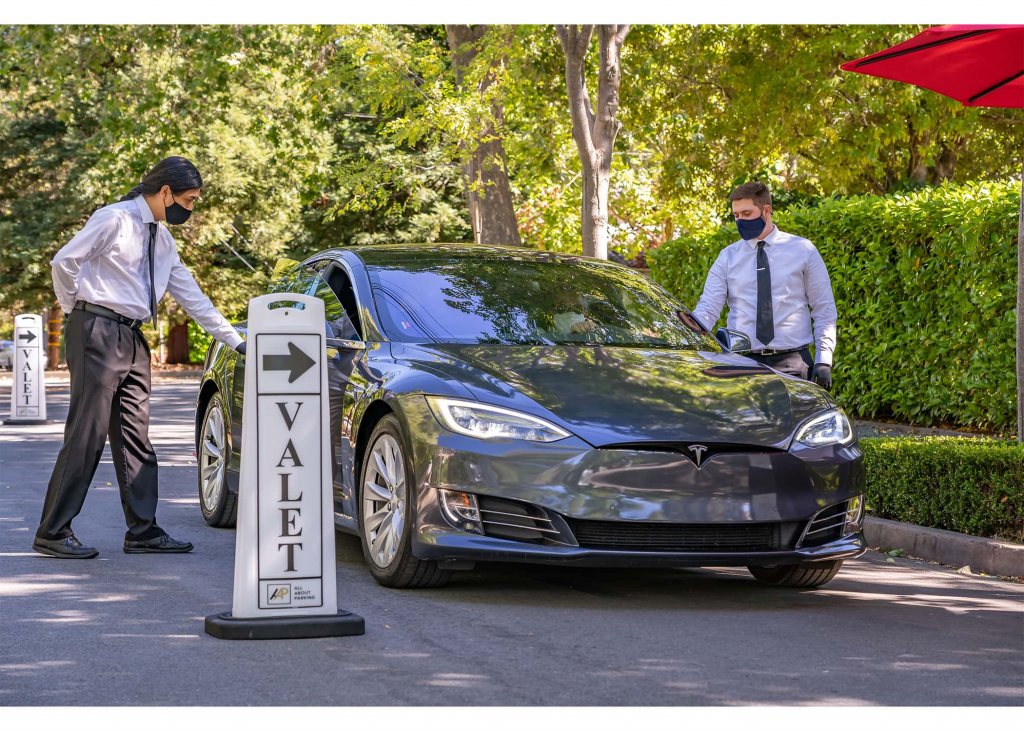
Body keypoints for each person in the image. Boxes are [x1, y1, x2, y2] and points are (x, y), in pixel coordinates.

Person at [33, 156, 246, 559]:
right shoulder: (113, 219)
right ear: (165, 192)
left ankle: (143, 531)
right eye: (189, 198)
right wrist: (75, 307)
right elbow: (64, 262)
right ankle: (53, 531)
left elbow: (192, 296)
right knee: (88, 433)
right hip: (96, 329)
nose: (191, 207)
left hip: (132, 337)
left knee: (135, 436)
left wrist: (237, 342)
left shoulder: (162, 239)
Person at [692, 181, 837, 387]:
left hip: (794, 364)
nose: (740, 220)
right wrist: (689, 344)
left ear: (766, 210)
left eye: (746, 213)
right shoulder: (727, 257)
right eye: (736, 216)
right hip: (742, 364)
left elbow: (824, 308)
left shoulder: (803, 250)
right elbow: (708, 308)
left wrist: (823, 360)